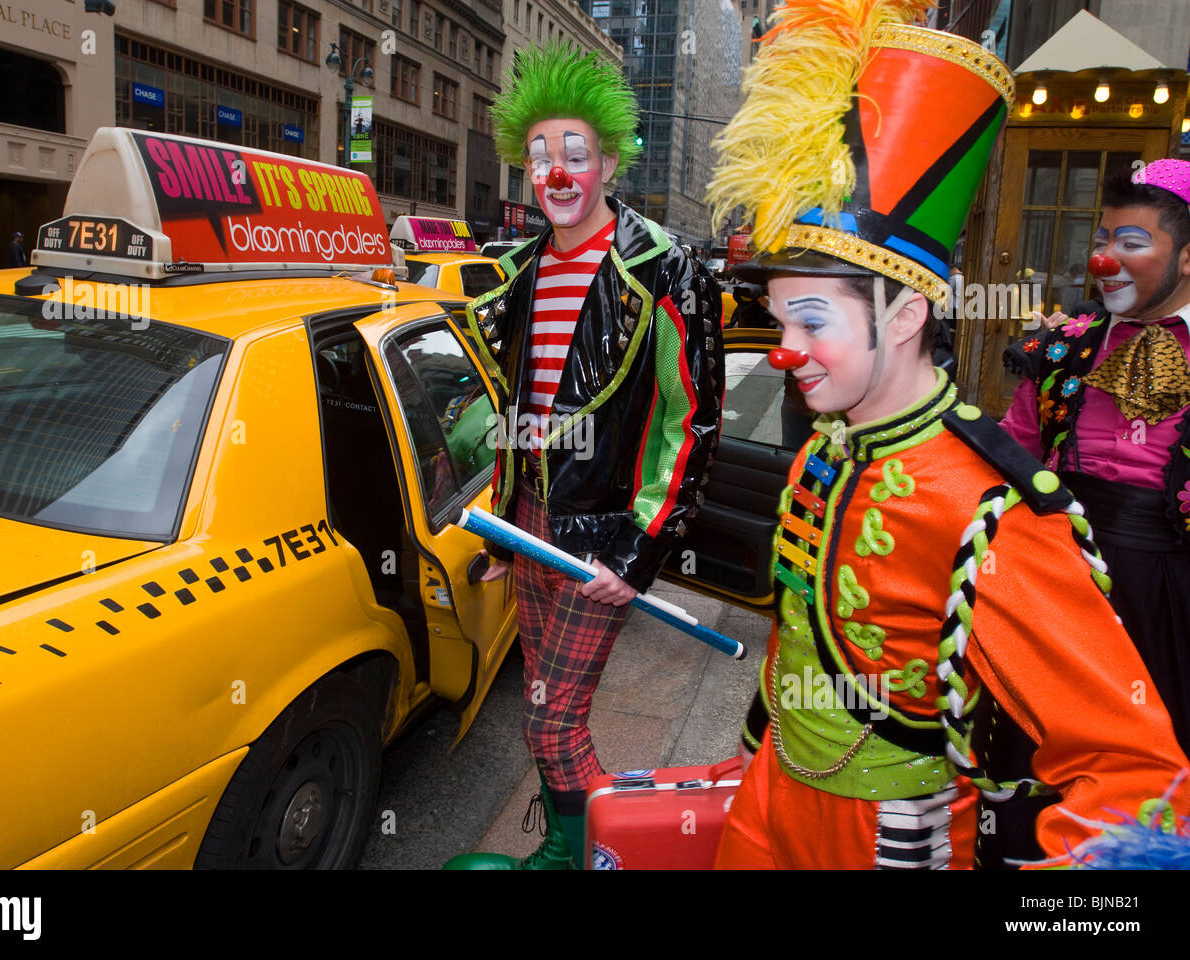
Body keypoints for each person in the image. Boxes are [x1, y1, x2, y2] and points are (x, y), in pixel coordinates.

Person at [705, 0, 1188, 869]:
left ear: (905, 314)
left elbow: (1137, 770)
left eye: (811, 322)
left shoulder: (992, 508)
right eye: (778, 321)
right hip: (767, 806)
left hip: (892, 843)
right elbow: (797, 638)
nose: (783, 352)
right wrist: (750, 759)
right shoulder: (826, 448)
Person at [444, 39, 724, 870]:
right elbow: (519, 414)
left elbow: (695, 422)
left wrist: (640, 553)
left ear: (607, 160)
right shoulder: (520, 269)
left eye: (574, 154)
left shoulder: (662, 268)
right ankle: (575, 849)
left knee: (552, 717)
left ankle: (590, 857)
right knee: (543, 698)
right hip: (532, 522)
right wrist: (503, 527)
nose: (557, 171)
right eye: (540, 156)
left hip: (601, 530)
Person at [1001, 158, 1190, 756]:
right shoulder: (1061, 347)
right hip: (1060, 571)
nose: (1104, 259)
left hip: (1169, 591)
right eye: (1101, 240)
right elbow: (1015, 452)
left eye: (1131, 243)